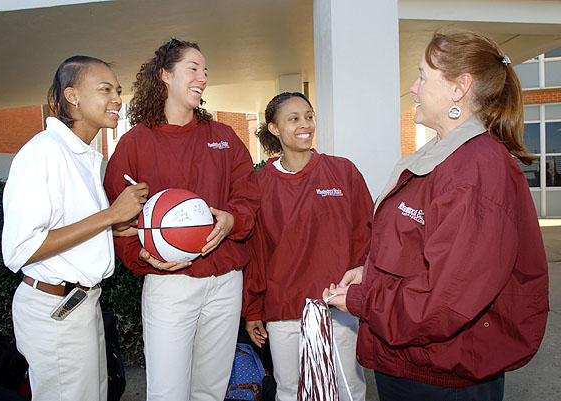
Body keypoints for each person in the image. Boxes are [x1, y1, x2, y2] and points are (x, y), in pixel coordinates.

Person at [324, 31, 549, 401]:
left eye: (423, 76)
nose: (413, 88)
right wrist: (371, 273)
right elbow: (422, 253)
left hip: (442, 380)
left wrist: (363, 300)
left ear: (459, 88)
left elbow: (445, 300)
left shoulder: (475, 173)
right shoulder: (446, 158)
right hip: (415, 365)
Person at [103, 39, 259, 401]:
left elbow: (249, 196)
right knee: (168, 391)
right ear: (165, 75)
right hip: (169, 282)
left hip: (224, 281)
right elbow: (115, 217)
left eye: (205, 71)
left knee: (211, 389)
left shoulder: (222, 135)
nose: (202, 77)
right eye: (193, 68)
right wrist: (140, 254)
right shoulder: (134, 143)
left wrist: (232, 221)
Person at [2, 55, 149, 401]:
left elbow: (65, 230)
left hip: (81, 304)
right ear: (72, 96)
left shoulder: (80, 156)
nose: (117, 99)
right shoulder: (44, 153)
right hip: (55, 310)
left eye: (118, 90)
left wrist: (114, 229)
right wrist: (110, 216)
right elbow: (22, 248)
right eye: (105, 89)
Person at [242, 92, 373, 401]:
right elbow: (257, 253)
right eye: (294, 118)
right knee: (290, 391)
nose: (305, 125)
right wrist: (253, 309)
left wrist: (361, 291)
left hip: (337, 304)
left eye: (309, 116)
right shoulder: (260, 184)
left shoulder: (343, 172)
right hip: (285, 309)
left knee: (348, 389)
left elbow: (367, 236)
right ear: (274, 129)